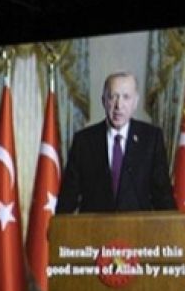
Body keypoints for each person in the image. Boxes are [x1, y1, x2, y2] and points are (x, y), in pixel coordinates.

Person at [56, 72, 177, 214]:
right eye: (113, 97)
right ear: (103, 100)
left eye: (126, 97)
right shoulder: (84, 141)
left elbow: (163, 197)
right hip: (95, 227)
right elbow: (67, 200)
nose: (119, 106)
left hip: (137, 226)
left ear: (135, 102)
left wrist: (173, 225)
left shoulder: (151, 139)